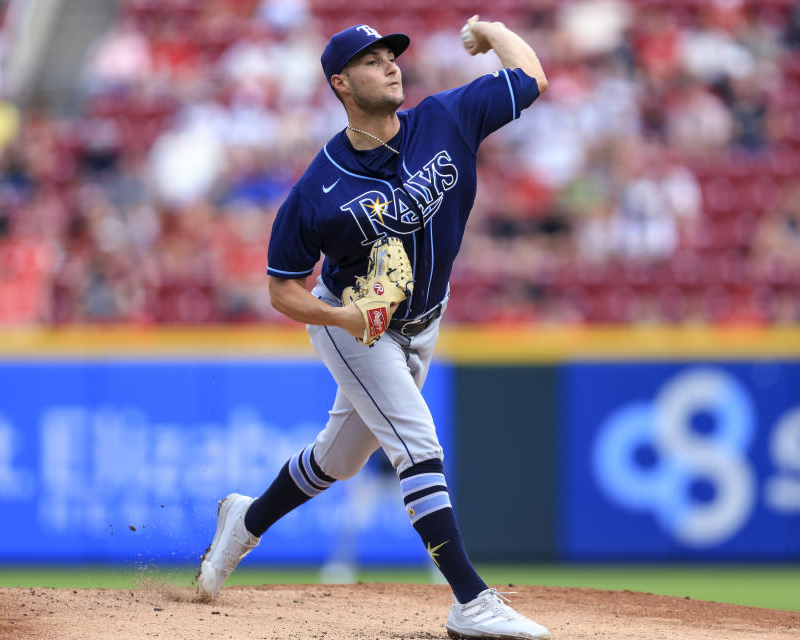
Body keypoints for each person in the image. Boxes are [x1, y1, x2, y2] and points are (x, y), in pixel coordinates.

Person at [197, 16, 550, 640]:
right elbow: (282, 287)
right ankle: (470, 600)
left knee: (339, 460)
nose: (390, 64)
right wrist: (342, 317)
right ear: (341, 83)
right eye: (371, 60)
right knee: (417, 442)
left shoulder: (447, 117)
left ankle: (244, 521)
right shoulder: (318, 187)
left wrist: (492, 30)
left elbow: (531, 76)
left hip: (423, 321)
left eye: (392, 54)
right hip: (352, 325)